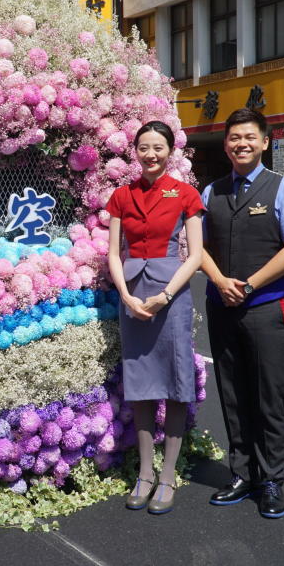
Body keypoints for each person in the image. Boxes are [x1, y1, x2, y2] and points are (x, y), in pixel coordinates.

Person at [199, 108, 284, 519]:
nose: (240, 144)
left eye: (249, 137)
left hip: (264, 308)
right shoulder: (211, 192)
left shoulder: (283, 189)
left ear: (265, 142)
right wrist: (219, 281)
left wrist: (249, 284)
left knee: (268, 397)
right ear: (226, 144)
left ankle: (271, 481)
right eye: (233, 138)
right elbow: (197, 248)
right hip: (221, 306)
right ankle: (242, 474)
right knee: (232, 393)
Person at [105, 121, 204, 515]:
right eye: (144, 147)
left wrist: (164, 295)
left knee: (176, 381)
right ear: (135, 151)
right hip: (132, 294)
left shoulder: (185, 194)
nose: (151, 154)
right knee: (141, 380)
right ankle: (145, 474)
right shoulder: (121, 195)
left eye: (158, 147)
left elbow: (195, 254)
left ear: (170, 150)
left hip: (171, 293)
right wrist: (126, 294)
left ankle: (167, 477)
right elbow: (115, 252)